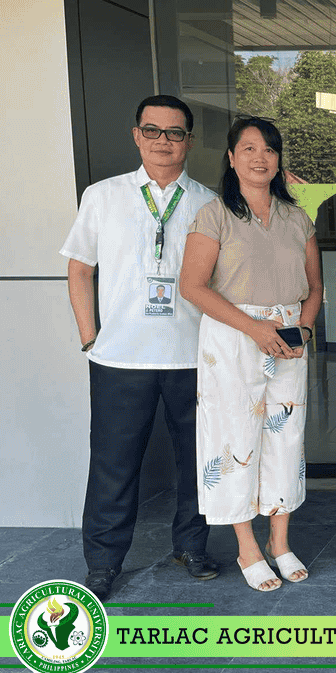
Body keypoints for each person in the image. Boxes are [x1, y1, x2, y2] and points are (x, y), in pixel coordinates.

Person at [61, 94, 219, 600]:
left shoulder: (211, 203)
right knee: (113, 463)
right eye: (153, 131)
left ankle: (192, 546)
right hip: (120, 359)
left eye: (175, 133)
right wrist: (91, 336)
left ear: (189, 141)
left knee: (198, 461)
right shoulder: (102, 196)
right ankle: (103, 562)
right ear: (136, 135)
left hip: (193, 356)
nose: (163, 142)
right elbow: (80, 268)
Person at [181, 116, 323, 592]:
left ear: (278, 159)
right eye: (248, 149)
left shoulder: (296, 217)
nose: (259, 157)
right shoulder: (214, 214)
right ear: (231, 158)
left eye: (268, 149)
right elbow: (192, 286)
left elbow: (315, 286)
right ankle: (248, 547)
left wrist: (302, 327)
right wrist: (254, 328)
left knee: (285, 435)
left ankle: (280, 542)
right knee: (235, 438)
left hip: (287, 336)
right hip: (233, 335)